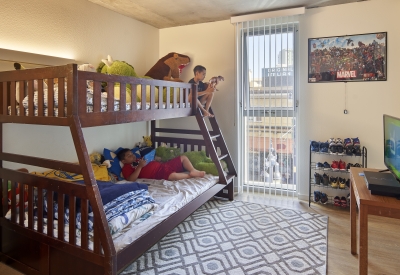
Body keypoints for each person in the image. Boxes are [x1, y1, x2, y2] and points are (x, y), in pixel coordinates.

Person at [117, 149, 206, 181]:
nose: (132, 155)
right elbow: (131, 179)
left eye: (132, 153)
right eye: (129, 156)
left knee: (183, 157)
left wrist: (152, 159)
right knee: (172, 176)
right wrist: (140, 166)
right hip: (157, 173)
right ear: (123, 161)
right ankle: (189, 176)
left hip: (163, 165)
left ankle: (193, 170)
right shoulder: (126, 168)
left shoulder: (138, 159)